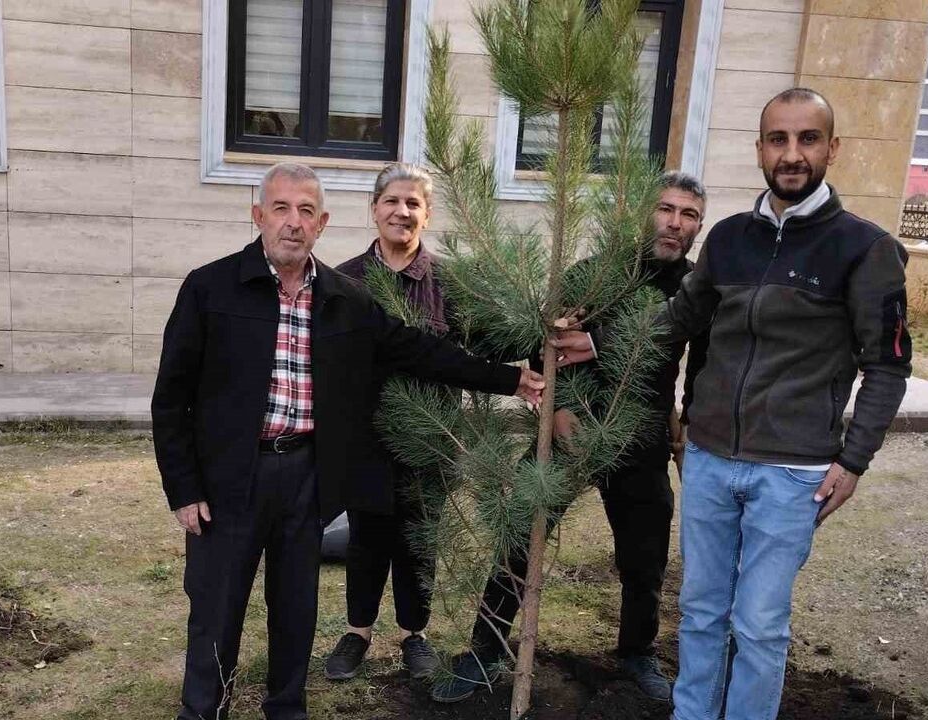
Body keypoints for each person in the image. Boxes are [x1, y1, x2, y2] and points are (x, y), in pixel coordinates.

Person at [552, 88, 912, 720]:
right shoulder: (727, 240)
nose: (792, 154)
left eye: (807, 139)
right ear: (760, 149)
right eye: (779, 139)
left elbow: (887, 365)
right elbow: (679, 320)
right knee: (700, 613)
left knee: (760, 623)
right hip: (714, 460)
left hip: (791, 470)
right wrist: (597, 340)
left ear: (833, 148)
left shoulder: (865, 249)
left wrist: (853, 461)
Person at [151, 162, 546, 720]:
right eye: (282, 209)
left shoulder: (345, 299)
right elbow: (171, 398)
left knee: (296, 609)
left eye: (306, 211)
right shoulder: (209, 288)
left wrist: (510, 377)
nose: (294, 222)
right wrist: (183, 487)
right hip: (227, 481)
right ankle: (204, 710)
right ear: (258, 215)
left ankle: (286, 708)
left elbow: (417, 349)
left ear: (323, 223)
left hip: (304, 479)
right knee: (216, 610)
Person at [431, 171, 712, 704]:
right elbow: (547, 347)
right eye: (666, 208)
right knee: (520, 539)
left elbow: (701, 369)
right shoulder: (595, 274)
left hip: (640, 437)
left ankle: (636, 652)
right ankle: (485, 650)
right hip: (569, 431)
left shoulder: (697, 290)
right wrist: (559, 412)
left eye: (689, 214)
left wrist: (687, 428)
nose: (675, 223)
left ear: (699, 225)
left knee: (645, 553)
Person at [324, 164, 448, 681]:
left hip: (429, 439)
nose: (402, 212)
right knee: (367, 536)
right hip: (366, 439)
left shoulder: (451, 283)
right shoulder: (343, 279)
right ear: (374, 209)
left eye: (413, 204)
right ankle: (357, 633)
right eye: (392, 201)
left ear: (427, 214)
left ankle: (414, 635)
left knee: (419, 538)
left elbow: (482, 348)